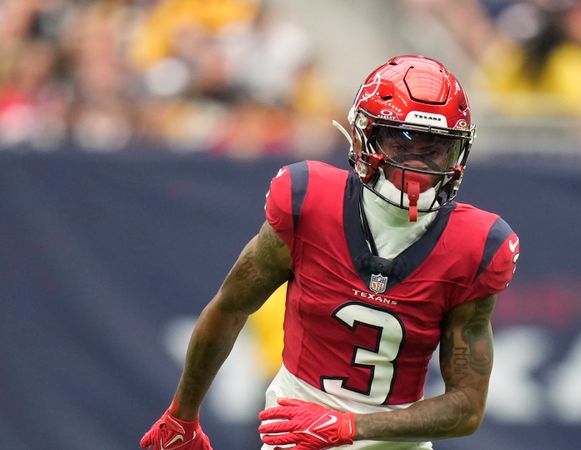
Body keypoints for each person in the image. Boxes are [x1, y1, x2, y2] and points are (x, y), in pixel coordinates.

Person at [140, 55, 520, 450]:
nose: (417, 166)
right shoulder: (309, 203)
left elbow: (467, 407)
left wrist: (350, 425)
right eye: (401, 142)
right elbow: (230, 307)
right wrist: (181, 414)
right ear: (364, 137)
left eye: (435, 149)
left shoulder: (475, 245)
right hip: (295, 437)